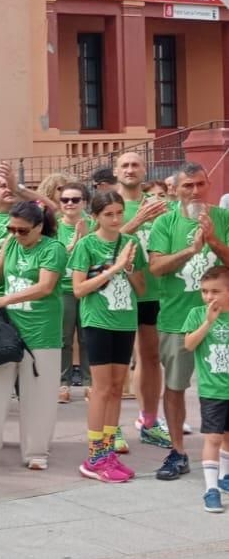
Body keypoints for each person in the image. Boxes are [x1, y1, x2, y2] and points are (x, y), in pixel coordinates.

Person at [0, 200, 67, 471]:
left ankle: (36, 450)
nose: (16, 234)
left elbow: (45, 287)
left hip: (41, 332)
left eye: (22, 230)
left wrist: (4, 300)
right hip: (7, 331)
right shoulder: (10, 244)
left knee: (39, 396)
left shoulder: (53, 249)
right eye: (11, 228)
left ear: (39, 227)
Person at [148, 163, 229, 480]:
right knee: (175, 386)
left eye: (199, 184)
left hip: (222, 319)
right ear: (175, 190)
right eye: (187, 186)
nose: (194, 191)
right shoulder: (165, 223)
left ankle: (223, 458)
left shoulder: (222, 218)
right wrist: (190, 250)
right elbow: (155, 267)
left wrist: (215, 242)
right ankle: (178, 451)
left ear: (207, 184)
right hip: (177, 318)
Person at [70, 189, 145, 482]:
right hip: (98, 321)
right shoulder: (87, 245)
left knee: (117, 388)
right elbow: (78, 289)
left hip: (125, 321)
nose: (115, 219)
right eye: (108, 214)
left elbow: (141, 287)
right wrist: (113, 268)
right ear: (96, 217)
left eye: (119, 212)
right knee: (101, 389)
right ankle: (94, 456)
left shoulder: (132, 243)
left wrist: (128, 269)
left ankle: (110, 451)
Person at [113, 148, 171, 446]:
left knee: (150, 357)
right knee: (117, 363)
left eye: (136, 165)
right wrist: (134, 223)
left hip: (152, 292)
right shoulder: (109, 204)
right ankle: (112, 426)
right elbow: (101, 243)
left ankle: (149, 420)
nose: (130, 169)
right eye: (125, 165)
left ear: (144, 170)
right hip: (118, 293)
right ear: (116, 171)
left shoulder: (160, 206)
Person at [182, 264, 229, 511]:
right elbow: (189, 344)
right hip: (212, 390)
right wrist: (208, 323)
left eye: (215, 291)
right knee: (212, 437)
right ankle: (211, 489)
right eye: (204, 291)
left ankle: (225, 476)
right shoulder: (197, 313)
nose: (209, 297)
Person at [53, 180, 93, 404]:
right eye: (65, 200)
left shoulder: (94, 225)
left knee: (88, 338)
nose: (70, 204)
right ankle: (62, 383)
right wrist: (77, 240)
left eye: (75, 200)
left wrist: (86, 237)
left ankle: (90, 383)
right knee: (63, 338)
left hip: (88, 289)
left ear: (84, 202)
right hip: (63, 289)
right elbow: (54, 257)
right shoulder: (54, 228)